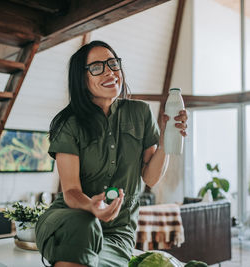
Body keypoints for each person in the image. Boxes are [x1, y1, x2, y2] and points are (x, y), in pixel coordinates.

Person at [35, 40, 188, 267]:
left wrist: (166, 142)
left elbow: (151, 178)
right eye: (97, 67)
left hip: (118, 232)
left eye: (112, 63)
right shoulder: (70, 123)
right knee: (85, 225)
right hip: (71, 220)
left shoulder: (141, 113)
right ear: (82, 79)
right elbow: (71, 191)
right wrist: (91, 207)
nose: (109, 71)